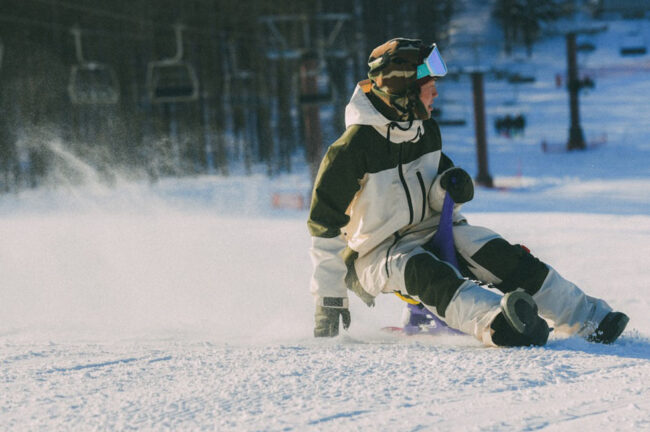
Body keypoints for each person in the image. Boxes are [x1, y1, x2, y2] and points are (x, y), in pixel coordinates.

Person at [307, 38, 629, 347]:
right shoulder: (352, 150)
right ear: (404, 90)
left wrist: (450, 184)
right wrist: (329, 298)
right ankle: (501, 324)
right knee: (426, 272)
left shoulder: (424, 130)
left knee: (500, 254)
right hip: (377, 253)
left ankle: (586, 318)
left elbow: (434, 185)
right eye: (427, 85)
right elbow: (324, 227)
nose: (435, 92)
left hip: (434, 231)